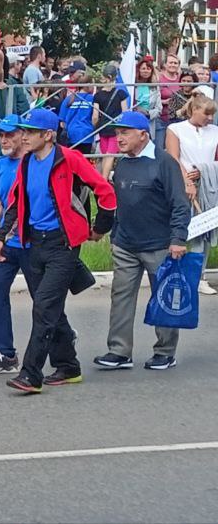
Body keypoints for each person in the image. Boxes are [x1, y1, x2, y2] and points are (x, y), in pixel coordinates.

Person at [0, 108, 116, 394]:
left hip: (63, 244)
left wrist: (100, 228)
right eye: (24, 131)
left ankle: (31, 374)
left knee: (44, 307)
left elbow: (104, 191)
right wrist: (1, 237)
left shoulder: (69, 159)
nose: (24, 137)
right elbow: (16, 201)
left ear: (48, 135)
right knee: (50, 308)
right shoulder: (26, 163)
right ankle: (69, 366)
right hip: (34, 243)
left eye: (30, 132)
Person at [93, 112, 190, 372]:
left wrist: (178, 238)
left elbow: (180, 204)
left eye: (125, 133)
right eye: (117, 133)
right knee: (121, 297)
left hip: (160, 245)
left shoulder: (164, 162)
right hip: (126, 245)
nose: (119, 138)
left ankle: (165, 352)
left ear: (143, 135)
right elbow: (119, 205)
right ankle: (119, 351)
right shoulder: (123, 164)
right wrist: (114, 236)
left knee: (164, 299)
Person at [0, 114, 34, 374]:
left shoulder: (35, 162)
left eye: (9, 135)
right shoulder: (1, 165)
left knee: (43, 298)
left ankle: (63, 337)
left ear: (23, 136)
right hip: (5, 242)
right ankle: (5, 354)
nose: (4, 140)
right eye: (1, 135)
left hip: (33, 242)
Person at [164, 95, 218, 296]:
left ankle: (199, 276)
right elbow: (172, 157)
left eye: (212, 114)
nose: (210, 118)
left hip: (207, 184)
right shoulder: (176, 129)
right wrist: (186, 181)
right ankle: (173, 271)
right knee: (179, 226)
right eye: (206, 114)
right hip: (180, 182)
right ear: (194, 109)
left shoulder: (215, 131)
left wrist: (205, 170)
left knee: (203, 231)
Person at [92, 64, 128, 178]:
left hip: (103, 129)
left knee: (105, 155)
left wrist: (95, 126)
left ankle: (102, 180)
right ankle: (104, 180)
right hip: (115, 128)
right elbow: (125, 112)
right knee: (110, 155)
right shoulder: (121, 93)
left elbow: (95, 116)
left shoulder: (97, 95)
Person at [57, 72, 96, 155]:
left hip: (71, 135)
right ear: (88, 85)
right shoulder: (92, 99)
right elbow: (95, 118)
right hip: (86, 134)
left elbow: (62, 123)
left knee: (72, 161)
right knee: (84, 162)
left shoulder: (69, 99)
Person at [132, 58, 161, 139]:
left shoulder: (155, 87)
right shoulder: (133, 86)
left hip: (148, 123)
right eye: (143, 68)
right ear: (139, 70)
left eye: (148, 69)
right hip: (134, 122)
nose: (146, 71)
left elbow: (159, 109)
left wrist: (148, 113)